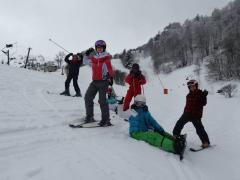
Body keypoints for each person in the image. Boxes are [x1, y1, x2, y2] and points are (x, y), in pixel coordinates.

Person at [83, 40, 114, 126]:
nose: (99, 49)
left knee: (102, 101)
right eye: (98, 47)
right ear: (96, 48)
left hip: (103, 82)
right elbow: (85, 61)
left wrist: (110, 77)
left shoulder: (106, 58)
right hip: (94, 82)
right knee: (87, 97)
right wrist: (86, 54)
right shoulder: (94, 58)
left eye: (101, 47)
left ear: (104, 48)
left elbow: (110, 68)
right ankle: (90, 117)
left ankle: (106, 120)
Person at [173, 79, 210, 148]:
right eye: (190, 87)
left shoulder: (200, 93)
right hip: (187, 113)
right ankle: (175, 135)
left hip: (195, 115)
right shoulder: (188, 95)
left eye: (193, 86)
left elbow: (203, 103)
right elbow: (187, 105)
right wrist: (184, 113)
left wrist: (204, 96)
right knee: (179, 123)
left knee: (199, 129)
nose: (191, 88)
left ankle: (205, 142)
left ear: (196, 86)